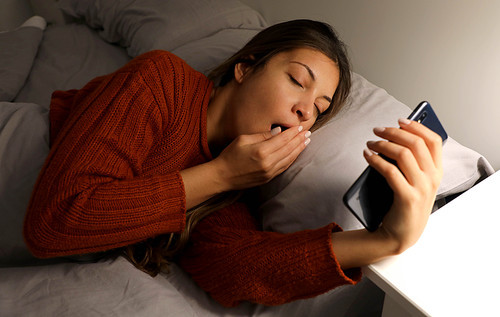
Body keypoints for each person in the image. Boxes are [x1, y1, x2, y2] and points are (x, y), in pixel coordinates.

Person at [24, 19, 443, 307]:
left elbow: (237, 268)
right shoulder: (162, 81)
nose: (304, 111)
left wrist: (387, 240)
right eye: (298, 81)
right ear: (245, 69)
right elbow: (55, 219)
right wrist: (221, 173)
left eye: (319, 108)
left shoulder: (233, 190)